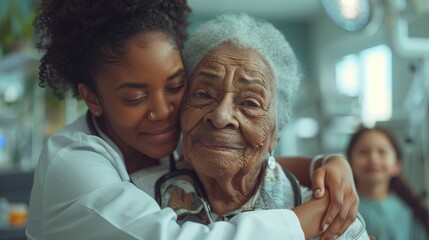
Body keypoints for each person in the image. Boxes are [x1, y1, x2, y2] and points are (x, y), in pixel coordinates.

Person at [27, 0, 358, 239]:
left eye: (176, 86)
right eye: (135, 97)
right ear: (92, 99)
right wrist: (306, 221)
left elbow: (243, 155)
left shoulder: (163, 140)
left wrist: (327, 164)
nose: (164, 111)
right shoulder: (74, 165)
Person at [152, 13, 368, 240]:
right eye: (203, 94)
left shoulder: (334, 221)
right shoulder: (142, 195)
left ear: (274, 135)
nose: (221, 116)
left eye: (250, 103)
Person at [346, 126, 429, 240]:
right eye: (363, 152)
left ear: (397, 165)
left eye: (382, 152)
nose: (373, 159)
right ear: (349, 163)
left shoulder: (409, 213)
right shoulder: (341, 209)